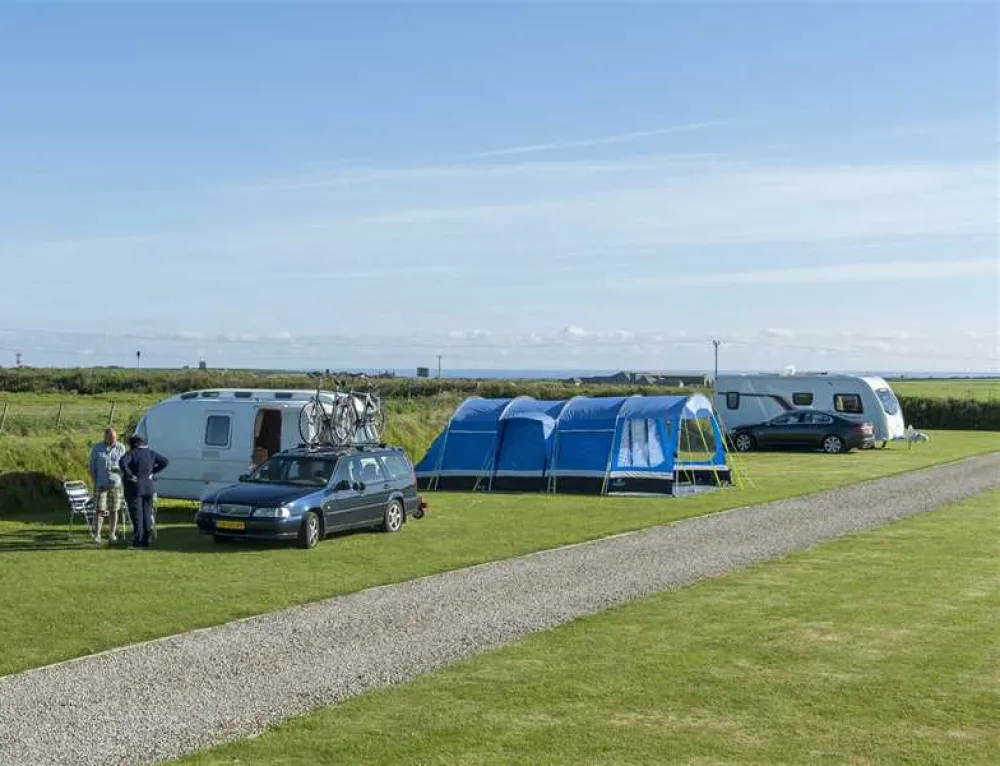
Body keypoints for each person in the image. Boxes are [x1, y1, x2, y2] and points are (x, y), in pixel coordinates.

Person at [118, 434, 169, 549]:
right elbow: (165, 461)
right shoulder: (151, 453)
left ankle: (138, 542)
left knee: (137, 516)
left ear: (134, 444)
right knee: (146, 515)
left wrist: (130, 475)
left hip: (135, 488)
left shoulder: (133, 453)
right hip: (149, 488)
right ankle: (145, 541)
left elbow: (122, 462)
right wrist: (152, 471)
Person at [88, 427, 126, 544]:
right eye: (110, 437)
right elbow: (92, 468)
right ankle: (97, 535)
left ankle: (112, 534)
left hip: (116, 485)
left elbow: (124, 465)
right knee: (100, 510)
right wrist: (95, 482)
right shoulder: (97, 448)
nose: (113, 440)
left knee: (114, 510)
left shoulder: (121, 448)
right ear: (105, 437)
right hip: (101, 484)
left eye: (115, 438)